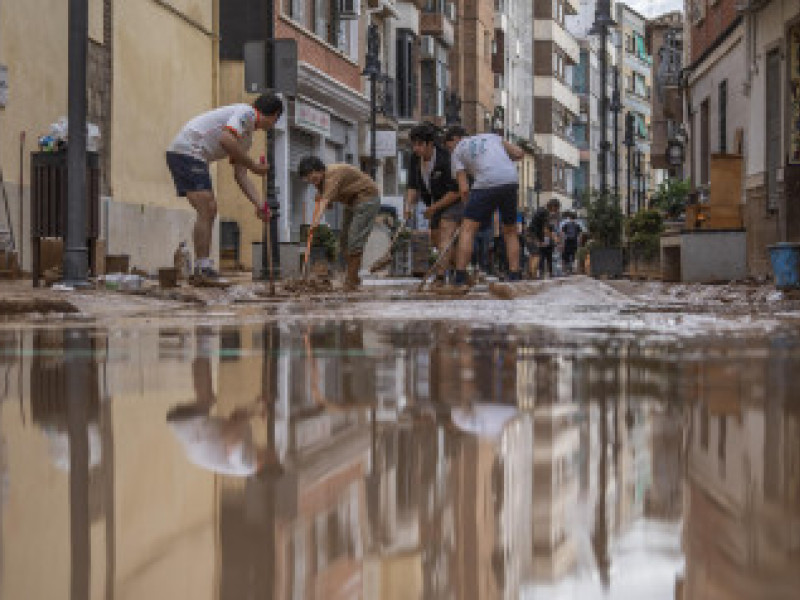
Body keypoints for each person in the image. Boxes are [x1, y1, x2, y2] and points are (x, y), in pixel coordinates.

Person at [166, 93, 284, 283]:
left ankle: (202, 267)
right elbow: (226, 140)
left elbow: (240, 175)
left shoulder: (247, 138)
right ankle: (202, 268)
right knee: (207, 207)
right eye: (276, 120)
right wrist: (254, 165)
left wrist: (260, 205)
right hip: (188, 150)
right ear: (274, 115)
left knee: (210, 209)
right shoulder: (246, 113)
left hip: (195, 156)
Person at [443, 126, 525, 291]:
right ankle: (515, 275)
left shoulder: (458, 152)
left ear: (455, 140)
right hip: (510, 179)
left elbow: (464, 189)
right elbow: (519, 153)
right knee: (510, 230)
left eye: (449, 146)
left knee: (467, 230)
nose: (449, 150)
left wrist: (468, 210)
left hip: (486, 183)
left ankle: (459, 277)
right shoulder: (492, 137)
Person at [297, 157, 380, 292]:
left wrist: (316, 221)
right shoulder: (320, 182)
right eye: (308, 178)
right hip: (352, 202)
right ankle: (354, 277)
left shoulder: (332, 174)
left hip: (367, 198)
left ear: (319, 169)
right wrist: (321, 197)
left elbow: (325, 203)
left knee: (354, 240)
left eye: (312, 174)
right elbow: (328, 204)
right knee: (344, 242)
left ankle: (351, 281)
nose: (311, 179)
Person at [405, 122, 463, 282]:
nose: (416, 149)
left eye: (419, 144)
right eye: (413, 145)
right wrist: (408, 206)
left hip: (454, 201)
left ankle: (440, 277)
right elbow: (412, 186)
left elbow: (456, 191)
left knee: (445, 234)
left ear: (430, 144)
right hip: (435, 203)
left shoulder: (446, 159)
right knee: (437, 240)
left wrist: (434, 208)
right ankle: (459, 269)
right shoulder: (414, 159)